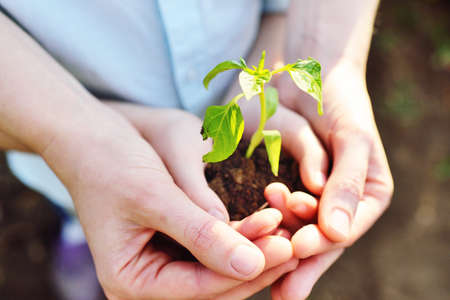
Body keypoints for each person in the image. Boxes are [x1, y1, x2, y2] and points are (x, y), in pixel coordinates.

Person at [0, 1, 393, 299]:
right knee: (78, 195)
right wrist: (75, 138)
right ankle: (79, 228)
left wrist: (322, 51)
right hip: (62, 113)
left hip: (264, 45)